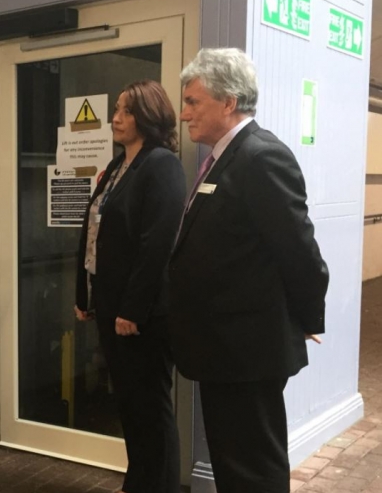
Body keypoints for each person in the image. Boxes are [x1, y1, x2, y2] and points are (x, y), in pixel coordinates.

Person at [168, 48, 329, 492]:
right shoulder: (224, 157)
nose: (184, 114)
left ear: (229, 101)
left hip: (248, 350)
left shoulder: (260, 157)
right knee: (232, 463)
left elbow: (299, 251)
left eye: (193, 102)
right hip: (224, 347)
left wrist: (305, 317)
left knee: (252, 468)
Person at [74, 80, 186, 493]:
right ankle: (138, 484)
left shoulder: (162, 165)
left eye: (125, 111)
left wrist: (132, 311)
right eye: (116, 109)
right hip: (111, 306)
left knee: (152, 411)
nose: (115, 118)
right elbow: (93, 234)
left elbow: (156, 245)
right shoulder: (119, 166)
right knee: (131, 407)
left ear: (149, 116)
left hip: (140, 316)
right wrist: (85, 296)